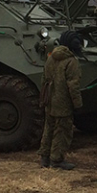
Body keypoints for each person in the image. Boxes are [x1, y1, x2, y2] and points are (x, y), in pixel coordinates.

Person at [39, 30, 84, 170]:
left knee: (49, 128)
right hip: (63, 102)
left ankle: (45, 157)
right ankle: (57, 160)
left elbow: (44, 79)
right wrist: (78, 104)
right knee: (62, 131)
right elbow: (73, 86)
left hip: (50, 99)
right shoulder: (71, 62)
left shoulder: (51, 58)